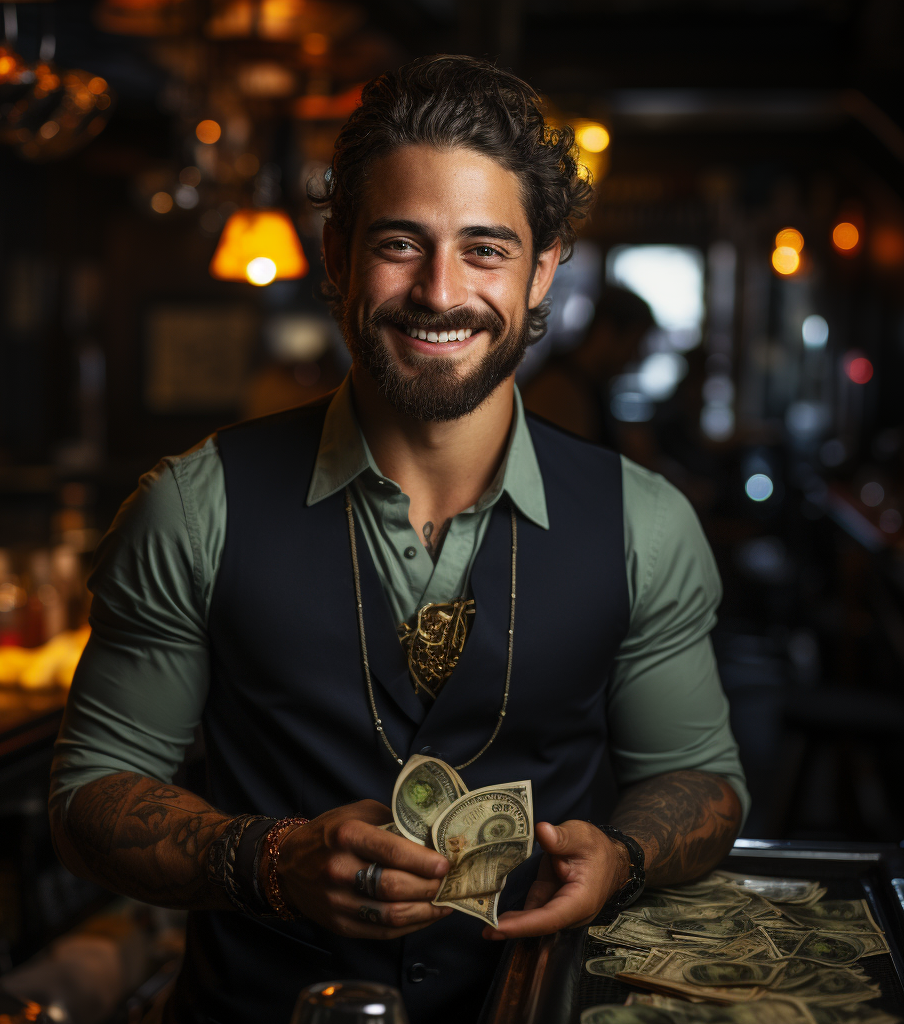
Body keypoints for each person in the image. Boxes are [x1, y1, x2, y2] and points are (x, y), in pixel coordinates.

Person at [50, 55, 748, 1024]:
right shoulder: (191, 504)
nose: (437, 290)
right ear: (336, 255)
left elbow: (701, 780)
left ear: (543, 267)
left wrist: (623, 858)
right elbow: (90, 794)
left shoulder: (647, 523)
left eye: (485, 249)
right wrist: (266, 859)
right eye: (399, 242)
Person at [522, 284, 655, 447]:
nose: (636, 357)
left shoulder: (584, 384)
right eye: (634, 344)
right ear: (606, 332)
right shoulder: (558, 390)